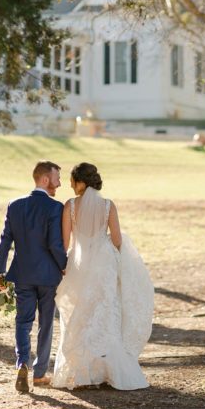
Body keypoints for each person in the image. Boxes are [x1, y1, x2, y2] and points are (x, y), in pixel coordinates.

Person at [53, 162, 154, 390]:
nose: (70, 184)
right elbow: (117, 239)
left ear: (80, 182)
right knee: (105, 315)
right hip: (104, 266)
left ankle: (83, 373)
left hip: (79, 266)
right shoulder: (108, 206)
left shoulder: (69, 206)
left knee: (79, 316)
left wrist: (65, 265)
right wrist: (116, 259)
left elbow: (65, 242)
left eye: (72, 180)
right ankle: (108, 371)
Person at [0, 160, 66, 394]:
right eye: (56, 178)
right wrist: (65, 267)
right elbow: (55, 244)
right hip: (48, 276)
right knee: (46, 324)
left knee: (23, 322)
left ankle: (22, 362)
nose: (59, 183)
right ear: (45, 179)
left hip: (22, 274)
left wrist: (0, 271)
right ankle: (39, 373)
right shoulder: (56, 208)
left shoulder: (15, 206)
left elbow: (5, 240)